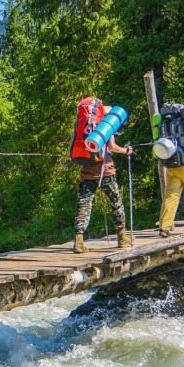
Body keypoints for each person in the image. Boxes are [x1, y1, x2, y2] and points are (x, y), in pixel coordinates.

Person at [71, 98, 133, 254]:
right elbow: (112, 146)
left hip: (87, 168)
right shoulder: (106, 125)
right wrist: (126, 151)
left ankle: (78, 241)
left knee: (84, 204)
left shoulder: (81, 125)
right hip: (106, 170)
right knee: (116, 202)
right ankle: (122, 238)